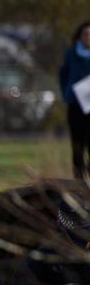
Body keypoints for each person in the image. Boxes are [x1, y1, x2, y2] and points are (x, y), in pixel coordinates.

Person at [59, 20, 90, 183]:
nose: (88, 38)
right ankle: (79, 181)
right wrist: (66, 93)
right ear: (80, 36)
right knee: (77, 144)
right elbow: (63, 74)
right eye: (85, 34)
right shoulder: (71, 54)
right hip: (76, 105)